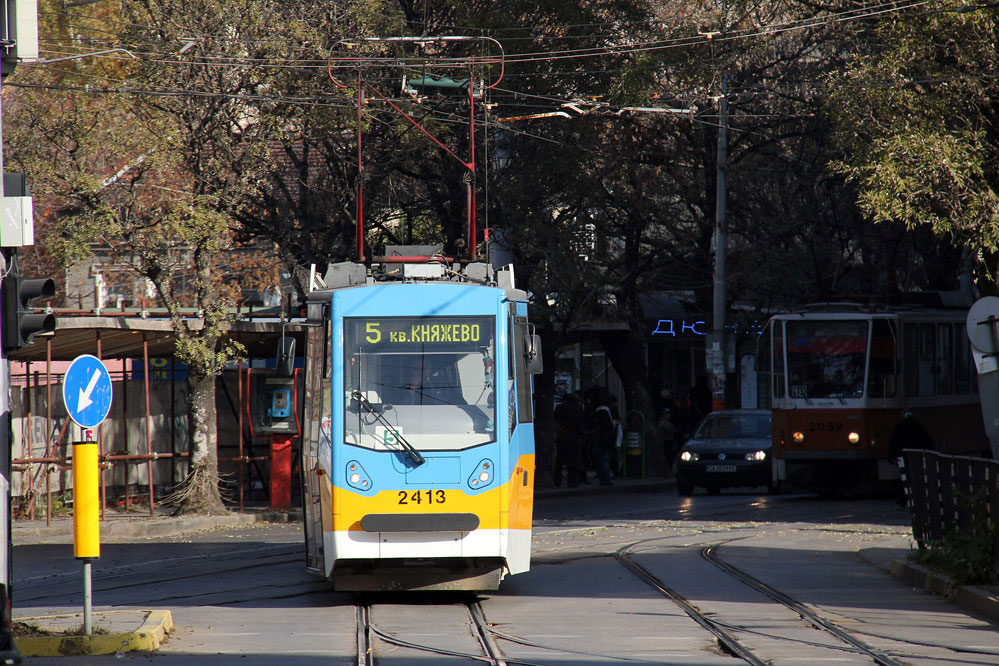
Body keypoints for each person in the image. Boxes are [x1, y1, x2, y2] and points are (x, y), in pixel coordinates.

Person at [554, 393, 586, 488]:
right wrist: (583, 436)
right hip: (573, 438)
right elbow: (580, 425)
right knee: (573, 462)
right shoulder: (577, 410)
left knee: (559, 461)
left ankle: (557, 480)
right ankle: (572, 482)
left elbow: (555, 420)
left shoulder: (559, 408)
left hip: (560, 436)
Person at [592, 391, 617, 486]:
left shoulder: (599, 410)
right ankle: (605, 479)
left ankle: (604, 478)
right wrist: (614, 423)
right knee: (604, 459)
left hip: (601, 438)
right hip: (604, 439)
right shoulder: (604, 411)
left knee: (603, 459)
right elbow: (606, 425)